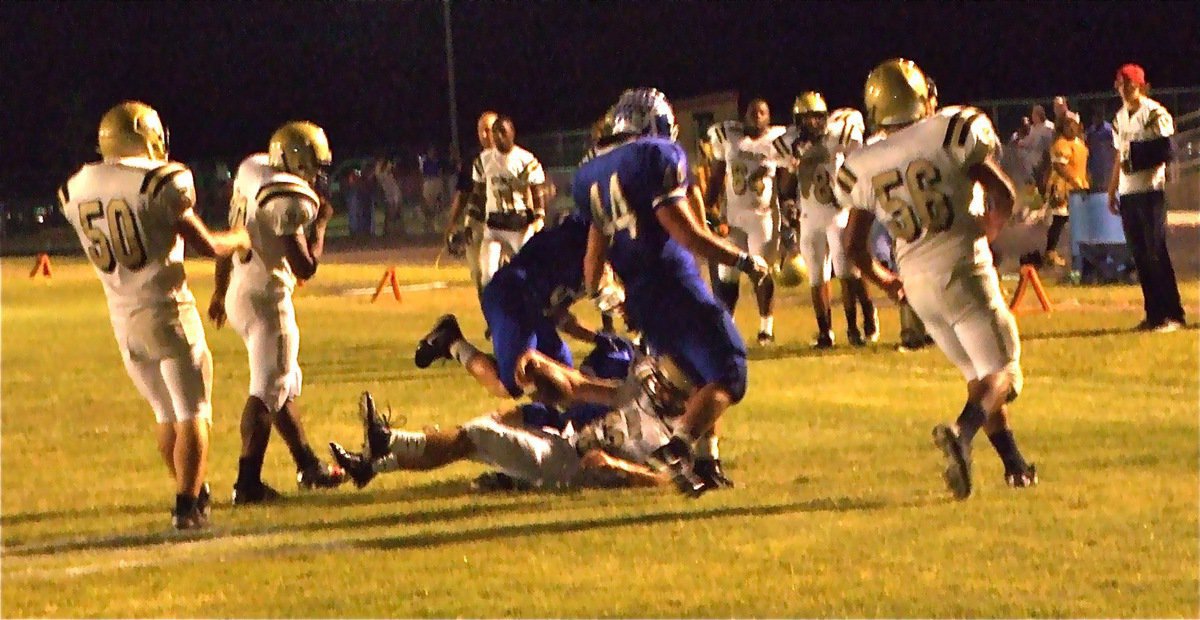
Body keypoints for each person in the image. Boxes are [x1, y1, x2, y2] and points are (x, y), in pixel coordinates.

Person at [838, 59, 1038, 500]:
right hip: (963, 267)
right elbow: (1003, 192)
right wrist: (990, 228)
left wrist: (887, 281)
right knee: (1005, 372)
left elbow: (853, 247)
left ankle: (1014, 464)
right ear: (919, 95)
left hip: (916, 284)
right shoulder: (950, 129)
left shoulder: (864, 160)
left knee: (978, 376)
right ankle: (961, 434)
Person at [58, 101, 251, 529]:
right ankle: (188, 505)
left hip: (123, 321)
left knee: (167, 417)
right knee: (193, 412)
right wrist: (239, 238)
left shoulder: (77, 187)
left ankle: (193, 489)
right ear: (147, 134)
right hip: (167, 312)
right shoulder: (160, 182)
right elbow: (208, 246)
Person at [578, 88, 771, 496]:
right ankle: (676, 448)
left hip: (644, 296)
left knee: (699, 376)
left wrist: (615, 299)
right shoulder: (655, 155)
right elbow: (686, 233)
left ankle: (706, 462)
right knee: (730, 371)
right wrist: (744, 261)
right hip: (674, 284)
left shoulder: (593, 171)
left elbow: (593, 267)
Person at [332, 337, 683, 491]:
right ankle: (374, 463)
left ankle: (387, 443)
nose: (655, 387)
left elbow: (668, 478)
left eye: (665, 386)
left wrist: (620, 466)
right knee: (474, 439)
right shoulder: (634, 394)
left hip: (575, 468)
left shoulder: (671, 434)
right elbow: (580, 387)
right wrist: (542, 364)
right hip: (565, 442)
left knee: (479, 435)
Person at [208, 121, 347, 504]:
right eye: (314, 164)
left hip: (240, 285)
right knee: (268, 387)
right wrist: (320, 224)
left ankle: (308, 464)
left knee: (282, 382)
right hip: (267, 299)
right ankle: (247, 482)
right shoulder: (289, 199)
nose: (317, 174)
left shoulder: (252, 170)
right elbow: (305, 267)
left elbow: (233, 226)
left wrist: (219, 290)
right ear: (296, 159)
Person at [780, 92, 876, 348]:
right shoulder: (791, 143)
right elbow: (785, 186)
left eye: (816, 117)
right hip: (810, 217)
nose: (812, 124)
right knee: (816, 277)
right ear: (798, 121)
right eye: (807, 118)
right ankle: (825, 332)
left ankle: (857, 325)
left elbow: (858, 151)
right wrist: (792, 164)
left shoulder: (838, 135)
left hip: (837, 214)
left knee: (847, 273)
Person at [704, 99, 790, 344]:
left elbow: (784, 185)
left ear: (769, 117)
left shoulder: (777, 140)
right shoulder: (728, 137)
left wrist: (790, 173)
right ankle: (727, 327)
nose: (756, 117)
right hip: (733, 217)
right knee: (727, 273)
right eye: (752, 113)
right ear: (743, 117)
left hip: (763, 217)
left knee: (761, 270)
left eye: (761, 113)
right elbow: (717, 175)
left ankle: (766, 328)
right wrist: (707, 207)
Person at [1107, 63, 1184, 333]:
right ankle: (1153, 313)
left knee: (1155, 253)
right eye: (1120, 84)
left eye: (1128, 83)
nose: (1123, 89)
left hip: (1150, 192)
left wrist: (1140, 159)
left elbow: (1166, 150)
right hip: (1129, 193)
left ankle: (1172, 313)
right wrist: (1112, 189)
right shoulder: (1119, 118)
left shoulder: (1155, 113)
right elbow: (1120, 155)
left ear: (1140, 85)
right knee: (1140, 256)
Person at [472, 116, 547, 289]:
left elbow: (537, 190)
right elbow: (477, 193)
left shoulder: (525, 159)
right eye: (495, 132)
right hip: (494, 227)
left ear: (512, 133)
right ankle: (495, 310)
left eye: (503, 131)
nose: (498, 136)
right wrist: (470, 220)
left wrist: (539, 217)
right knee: (488, 276)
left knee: (532, 271)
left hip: (519, 226)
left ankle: (537, 307)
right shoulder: (484, 160)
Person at [445, 112, 499, 300]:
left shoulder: (511, 156)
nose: (485, 135)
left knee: (494, 275)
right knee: (478, 274)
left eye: (489, 130)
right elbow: (462, 194)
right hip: (477, 222)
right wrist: (451, 224)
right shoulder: (473, 160)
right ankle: (492, 320)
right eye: (481, 131)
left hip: (503, 223)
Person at [1043, 112, 1089, 266]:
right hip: (1062, 187)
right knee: (1059, 220)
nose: (1070, 127)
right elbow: (1059, 166)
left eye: (1073, 124)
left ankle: (1081, 254)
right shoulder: (1061, 144)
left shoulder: (1080, 143)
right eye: (1067, 125)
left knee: (1079, 221)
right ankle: (1050, 253)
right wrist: (1072, 180)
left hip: (1079, 186)